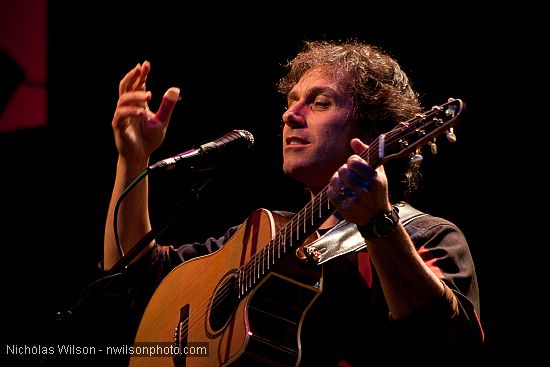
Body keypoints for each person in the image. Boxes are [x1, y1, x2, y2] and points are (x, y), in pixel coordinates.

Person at [103, 39, 484, 366]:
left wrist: (378, 222)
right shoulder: (258, 238)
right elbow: (132, 277)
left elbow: (448, 347)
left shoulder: (427, 234)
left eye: (319, 103)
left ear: (372, 132)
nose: (289, 115)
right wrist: (133, 158)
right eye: (291, 101)